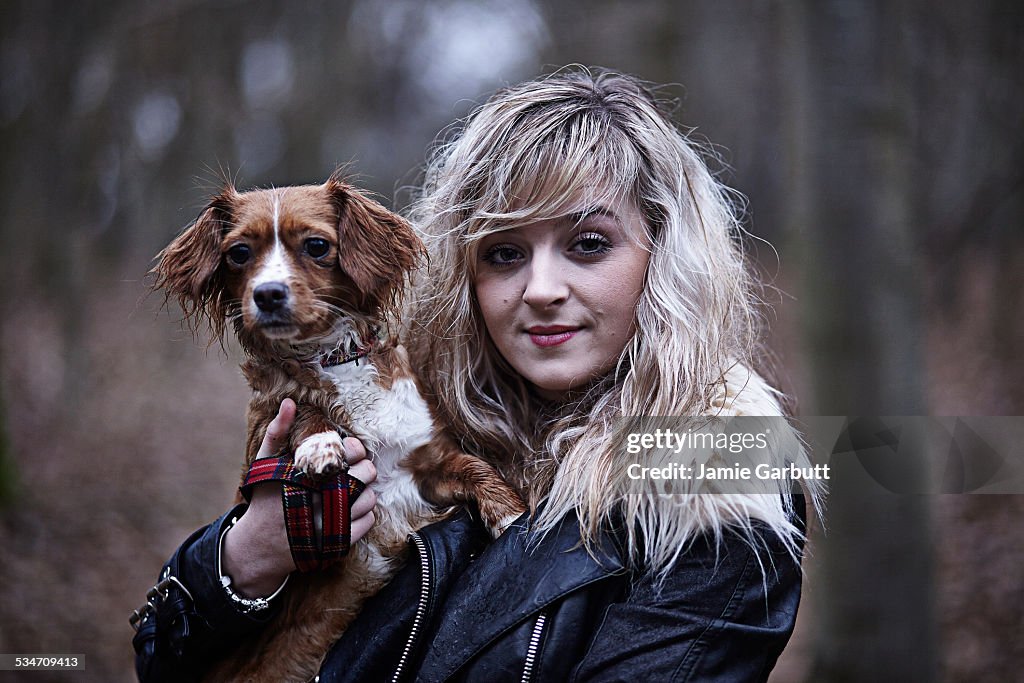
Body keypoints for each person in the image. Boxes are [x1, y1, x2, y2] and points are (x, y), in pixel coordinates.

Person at [133, 67, 821, 682]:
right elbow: (162, 659)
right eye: (503, 253)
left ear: (666, 255)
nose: (541, 288)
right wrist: (238, 565)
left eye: (587, 244)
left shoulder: (718, 478)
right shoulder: (413, 409)